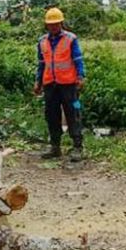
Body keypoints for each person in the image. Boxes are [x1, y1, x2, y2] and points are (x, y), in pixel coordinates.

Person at [33, 8, 86, 162]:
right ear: (46, 25)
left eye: (56, 24)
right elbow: (41, 64)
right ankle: (55, 147)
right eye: (50, 24)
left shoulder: (71, 38)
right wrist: (38, 81)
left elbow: (78, 59)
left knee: (73, 114)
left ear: (61, 23)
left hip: (69, 84)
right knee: (51, 116)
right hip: (50, 84)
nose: (53, 27)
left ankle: (77, 147)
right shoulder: (42, 41)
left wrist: (80, 76)